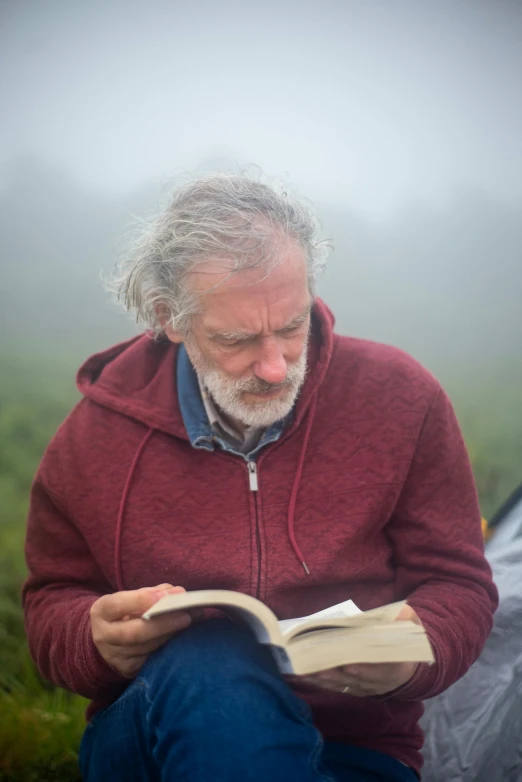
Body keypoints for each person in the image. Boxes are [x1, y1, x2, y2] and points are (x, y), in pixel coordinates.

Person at [22, 173, 498, 782]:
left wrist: (412, 653)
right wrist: (92, 640)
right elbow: (50, 601)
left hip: (357, 748)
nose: (275, 368)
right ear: (172, 318)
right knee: (207, 656)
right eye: (238, 339)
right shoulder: (92, 439)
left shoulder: (404, 399)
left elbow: (460, 585)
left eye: (293, 327)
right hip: (155, 742)